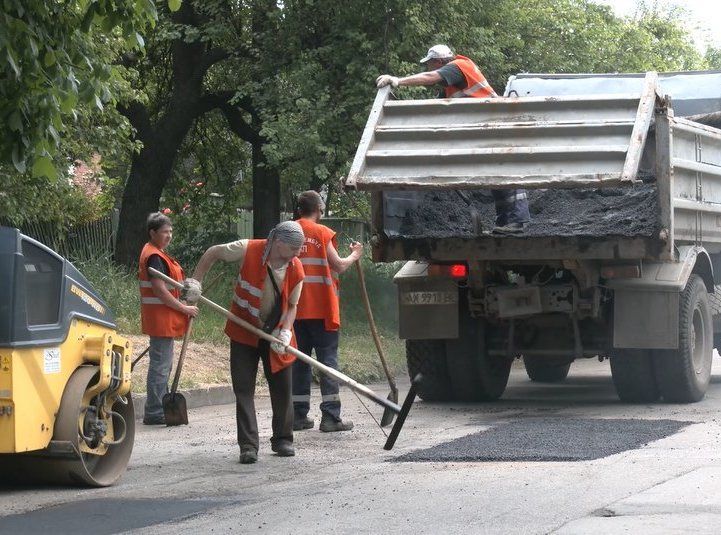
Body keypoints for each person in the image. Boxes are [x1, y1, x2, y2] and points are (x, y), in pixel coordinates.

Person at [376, 44, 531, 234]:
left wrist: (397, 81)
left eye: (431, 64)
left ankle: (517, 220)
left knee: (505, 170)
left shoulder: (458, 66)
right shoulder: (451, 87)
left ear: (440, 62)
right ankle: (505, 222)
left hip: (495, 124)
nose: (429, 68)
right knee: (496, 173)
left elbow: (430, 78)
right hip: (485, 127)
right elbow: (434, 110)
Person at [186, 221, 305, 464]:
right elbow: (212, 253)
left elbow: (292, 306)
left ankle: (283, 439)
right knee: (243, 389)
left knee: (283, 387)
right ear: (279, 243)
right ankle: (248, 446)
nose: (298, 253)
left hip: (275, 334)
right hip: (244, 330)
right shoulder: (247, 249)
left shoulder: (296, 268)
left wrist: (284, 333)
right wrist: (196, 281)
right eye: (294, 248)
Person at [291, 191, 363, 433]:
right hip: (322, 310)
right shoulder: (322, 233)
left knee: (299, 363)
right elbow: (339, 266)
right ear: (319, 209)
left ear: (299, 209)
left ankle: (298, 417)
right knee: (327, 363)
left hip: (293, 310)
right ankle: (331, 417)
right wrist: (355, 254)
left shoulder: (287, 231)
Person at [138, 212, 199, 425]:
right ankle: (154, 411)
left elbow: (170, 285)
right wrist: (184, 308)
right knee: (161, 366)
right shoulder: (154, 256)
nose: (169, 235)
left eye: (171, 231)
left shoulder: (157, 253)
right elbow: (160, 291)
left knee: (162, 364)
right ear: (152, 233)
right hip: (161, 319)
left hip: (163, 319)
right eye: (165, 232)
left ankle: (158, 406)